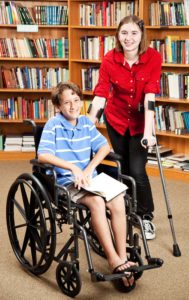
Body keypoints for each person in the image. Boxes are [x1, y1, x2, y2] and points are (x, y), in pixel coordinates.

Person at [37, 81, 135, 290]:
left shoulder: (86, 123)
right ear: (58, 106)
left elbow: (104, 147)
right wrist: (73, 168)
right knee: (97, 202)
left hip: (90, 178)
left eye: (76, 100)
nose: (73, 106)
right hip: (65, 181)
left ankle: (122, 256)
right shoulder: (53, 125)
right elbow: (43, 155)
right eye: (66, 103)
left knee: (118, 199)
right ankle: (113, 260)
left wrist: (89, 168)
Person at [88, 15, 162, 240]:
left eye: (133, 33)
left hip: (141, 123)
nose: (128, 38)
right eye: (124, 33)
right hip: (117, 119)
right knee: (122, 168)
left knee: (138, 169)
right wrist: (89, 124)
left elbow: (150, 96)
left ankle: (145, 216)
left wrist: (149, 132)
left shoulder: (153, 58)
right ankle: (127, 210)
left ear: (142, 35)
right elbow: (101, 93)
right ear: (118, 35)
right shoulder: (110, 59)